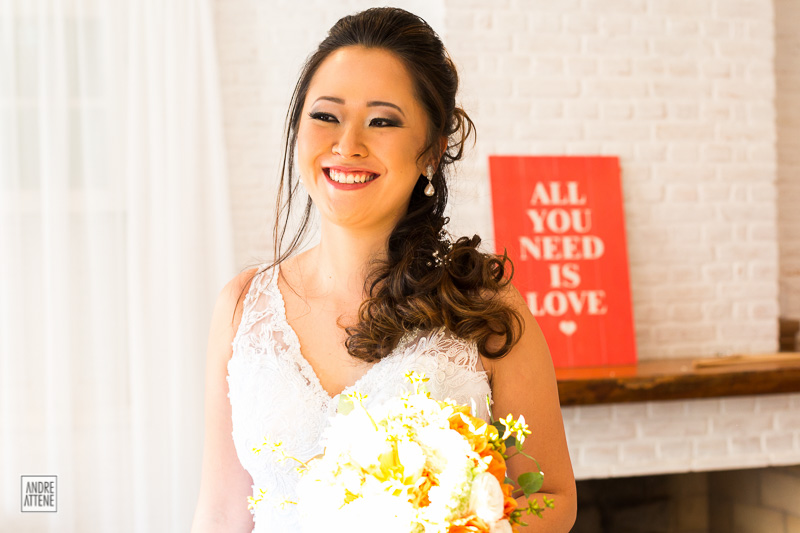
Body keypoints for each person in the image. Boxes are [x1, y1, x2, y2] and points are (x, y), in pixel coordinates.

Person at [191, 7, 576, 532]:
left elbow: (553, 497)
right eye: (325, 116)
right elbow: (221, 513)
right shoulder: (242, 308)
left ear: (432, 152)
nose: (347, 144)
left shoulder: (484, 309)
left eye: (382, 121)